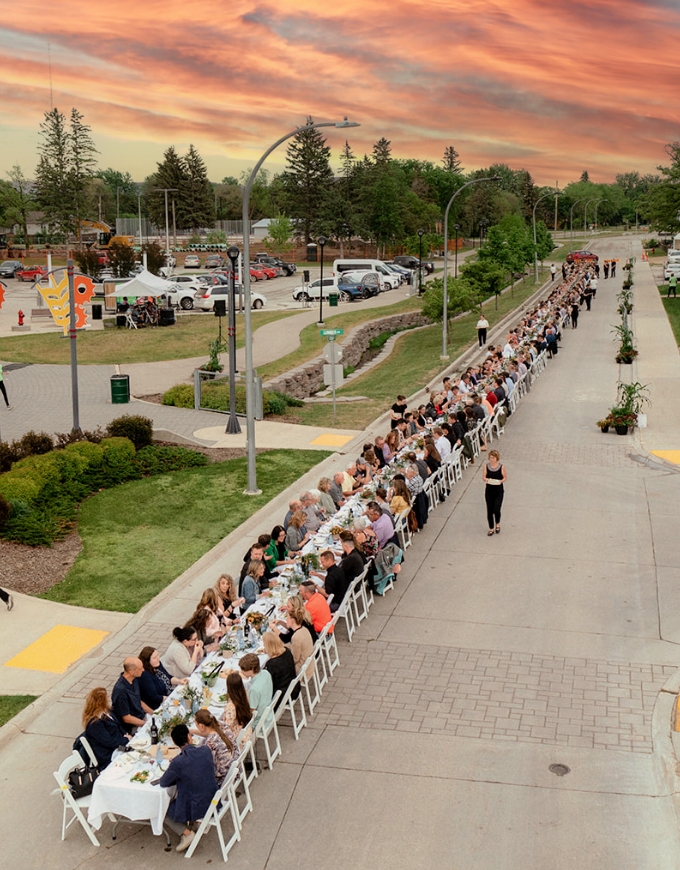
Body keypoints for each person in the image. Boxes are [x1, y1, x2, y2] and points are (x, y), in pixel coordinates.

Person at [159, 723, 218, 852]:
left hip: (196, 806)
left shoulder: (178, 762)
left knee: (160, 808)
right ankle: (195, 824)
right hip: (213, 800)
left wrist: (175, 766)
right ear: (189, 737)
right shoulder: (205, 751)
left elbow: (163, 782)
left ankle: (186, 833)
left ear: (174, 742)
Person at [82, 687, 129, 769]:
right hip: (109, 754)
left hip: (118, 744)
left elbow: (119, 726)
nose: (108, 698)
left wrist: (125, 734)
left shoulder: (107, 712)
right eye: (106, 697)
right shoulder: (95, 724)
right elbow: (109, 742)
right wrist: (126, 740)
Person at [191, 709, 238, 786]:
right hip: (233, 769)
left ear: (201, 726)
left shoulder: (210, 743)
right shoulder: (222, 725)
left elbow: (206, 766)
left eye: (196, 725)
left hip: (223, 780)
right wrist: (191, 731)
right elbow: (207, 732)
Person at [111, 657, 152, 730]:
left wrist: (154, 713)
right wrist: (146, 724)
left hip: (142, 717)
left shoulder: (134, 680)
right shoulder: (120, 691)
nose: (143, 670)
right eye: (140, 668)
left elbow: (138, 700)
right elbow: (126, 718)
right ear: (131, 672)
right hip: (132, 727)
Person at [239, 653, 273, 727]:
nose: (241, 672)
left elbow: (251, 711)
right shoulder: (266, 673)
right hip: (268, 714)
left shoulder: (254, 689)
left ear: (251, 669)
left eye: (243, 669)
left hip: (259, 722)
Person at [262, 630, 296, 703]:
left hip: (281, 694)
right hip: (291, 687)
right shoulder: (287, 651)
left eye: (264, 644)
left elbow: (267, 684)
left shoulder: (272, 664)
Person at [222, 671, 254, 742]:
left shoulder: (231, 706)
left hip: (236, 739)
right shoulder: (245, 695)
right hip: (245, 733)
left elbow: (226, 727)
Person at [482, 449, 507, 535]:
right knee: (489, 510)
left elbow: (505, 478)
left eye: (493, 458)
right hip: (489, 490)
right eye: (490, 458)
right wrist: (486, 479)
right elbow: (484, 477)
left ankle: (497, 523)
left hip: (498, 491)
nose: (491, 459)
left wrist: (500, 481)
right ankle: (491, 528)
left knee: (496, 508)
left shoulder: (501, 467)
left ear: (497, 458)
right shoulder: (486, 466)